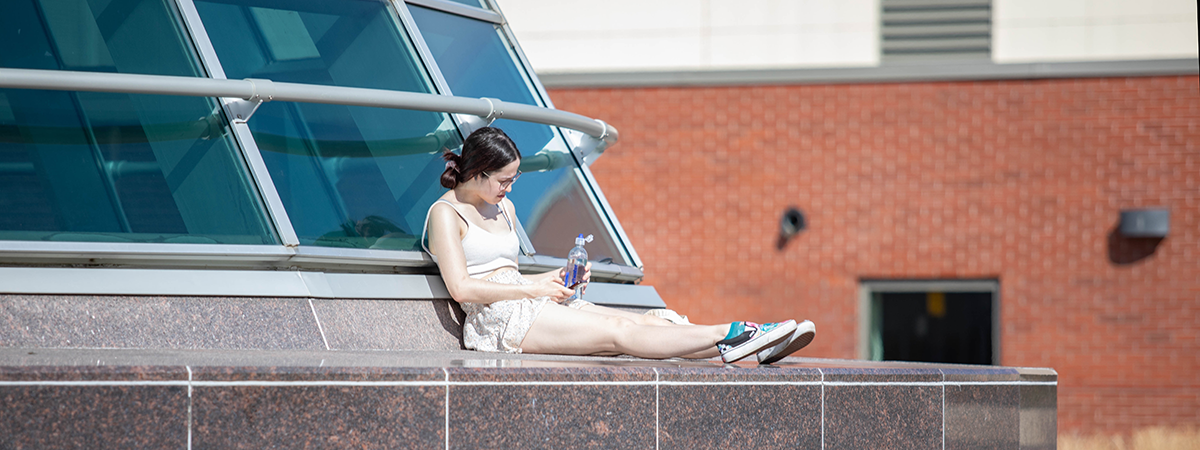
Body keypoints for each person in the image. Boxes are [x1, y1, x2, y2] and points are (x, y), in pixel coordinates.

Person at [422, 127, 815, 363]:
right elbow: (462, 287)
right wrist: (535, 287)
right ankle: (734, 333)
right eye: (504, 181)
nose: (510, 189)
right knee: (617, 331)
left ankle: (753, 341)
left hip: (529, 301)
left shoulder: (500, 205)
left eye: (514, 179)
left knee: (644, 321)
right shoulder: (446, 213)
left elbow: (506, 272)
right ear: (476, 172)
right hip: (499, 319)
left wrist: (555, 277)